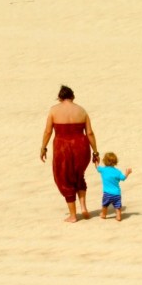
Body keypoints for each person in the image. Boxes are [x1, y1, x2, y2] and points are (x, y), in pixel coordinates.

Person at [41, 85, 99, 222]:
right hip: (81, 146)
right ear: (73, 96)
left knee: (64, 179)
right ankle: (83, 207)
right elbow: (90, 133)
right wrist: (95, 151)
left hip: (62, 147)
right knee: (79, 176)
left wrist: (43, 147)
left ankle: (73, 215)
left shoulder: (54, 110)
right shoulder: (82, 110)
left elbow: (48, 131)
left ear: (60, 98)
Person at [95, 152, 132, 221]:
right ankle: (118, 216)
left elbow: (97, 167)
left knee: (105, 205)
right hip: (116, 194)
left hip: (107, 193)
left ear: (104, 161)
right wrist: (127, 173)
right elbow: (123, 178)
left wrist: (96, 161)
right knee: (118, 206)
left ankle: (103, 214)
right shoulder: (117, 172)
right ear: (115, 161)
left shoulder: (103, 170)